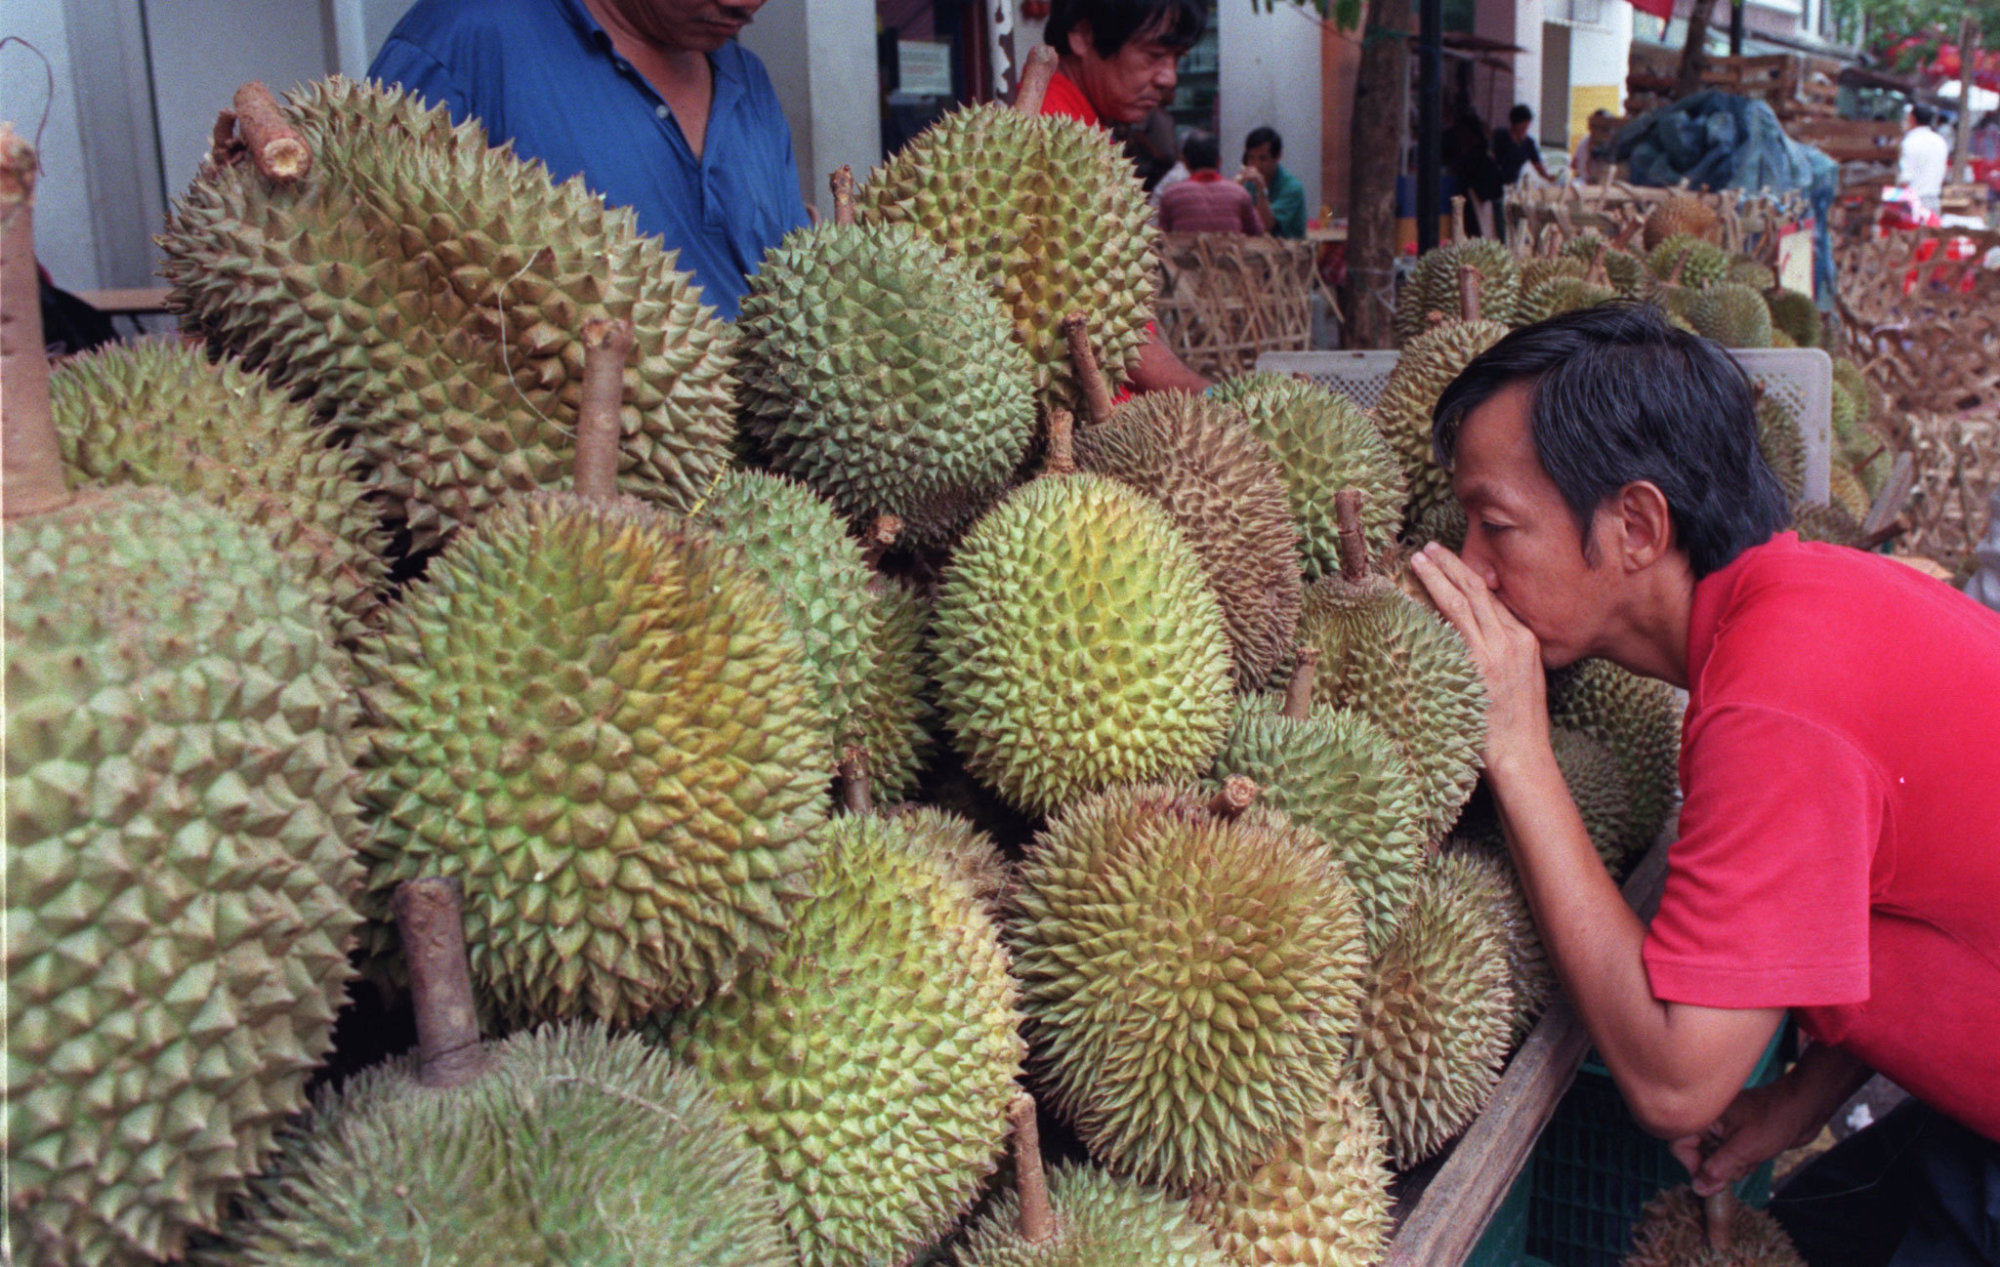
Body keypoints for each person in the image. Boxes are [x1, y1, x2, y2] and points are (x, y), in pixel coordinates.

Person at [1408, 303, 2000, 1267]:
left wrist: (1517, 747)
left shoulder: (1775, 701)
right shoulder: (1807, 603)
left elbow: (1676, 1084)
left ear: (1637, 524)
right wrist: (1800, 1100)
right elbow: (1921, 891)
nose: (1470, 566)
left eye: (1496, 524)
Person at [367, 0, 806, 321]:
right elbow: (372, 300)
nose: (743, 3)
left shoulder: (749, 79)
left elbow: (791, 291)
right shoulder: (463, 43)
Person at [1043, 0, 1212, 393]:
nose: (1169, 77)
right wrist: (1221, 401)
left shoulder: (1082, 134)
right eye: (1154, 54)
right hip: (1092, 435)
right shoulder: (1055, 143)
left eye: (1177, 57)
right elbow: (1119, 342)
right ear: (1083, 36)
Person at [1156, 132, 1259, 234]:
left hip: (1185, 251)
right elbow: (1257, 232)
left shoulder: (1171, 195)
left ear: (1185, 162)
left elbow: (1161, 238)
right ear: (1219, 162)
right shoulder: (1240, 193)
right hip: (1229, 250)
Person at [1240, 125, 1307, 239]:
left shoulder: (1292, 187)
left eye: (1263, 159)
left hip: (1288, 252)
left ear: (1278, 156)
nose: (1256, 165)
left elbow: (1265, 225)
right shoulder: (1248, 184)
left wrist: (1261, 189)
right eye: (1251, 158)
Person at [1898, 101, 1950, 218]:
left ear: (1912, 119)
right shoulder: (1940, 141)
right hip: (1934, 201)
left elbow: (1905, 178)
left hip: (1912, 203)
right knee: (1930, 235)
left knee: (1910, 235)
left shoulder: (1909, 142)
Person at [1120, 105, 1180, 191]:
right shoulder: (1150, 112)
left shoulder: (1168, 116)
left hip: (1168, 163)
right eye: (1170, 91)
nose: (1173, 95)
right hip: (1150, 166)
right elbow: (1137, 133)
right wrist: (1154, 152)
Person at [1493, 103, 1553, 187]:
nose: (1525, 127)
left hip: (1512, 184)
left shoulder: (1529, 143)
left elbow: (1538, 165)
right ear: (1515, 123)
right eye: (1522, 124)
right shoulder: (1499, 136)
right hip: (1494, 181)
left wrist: (1549, 177)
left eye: (1527, 124)